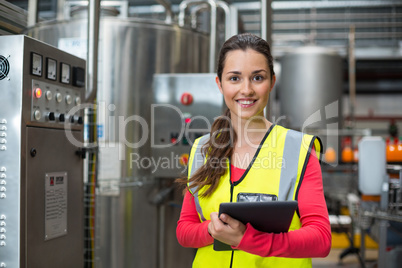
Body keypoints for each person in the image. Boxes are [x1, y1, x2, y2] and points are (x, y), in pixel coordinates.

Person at [176, 33, 331, 267]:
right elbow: (184, 230)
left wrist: (247, 239)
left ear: (272, 82)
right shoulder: (202, 149)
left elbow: (321, 239)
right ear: (220, 84)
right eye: (234, 78)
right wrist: (213, 229)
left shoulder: (299, 150)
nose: (246, 90)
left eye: (257, 78)